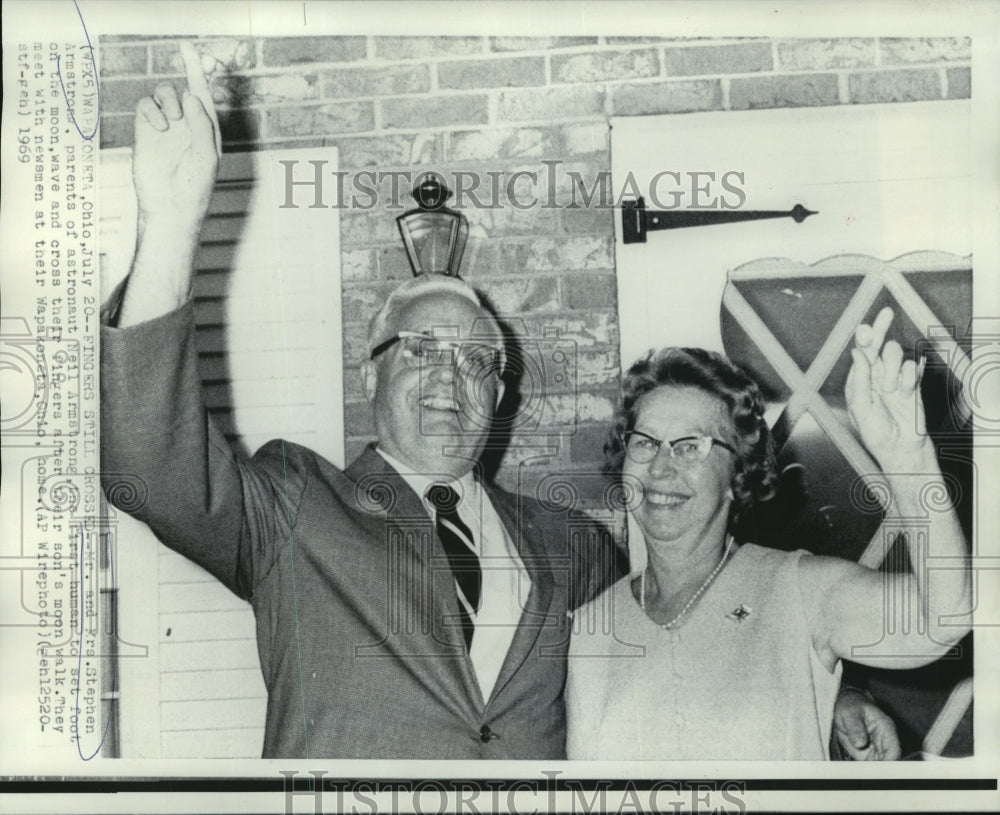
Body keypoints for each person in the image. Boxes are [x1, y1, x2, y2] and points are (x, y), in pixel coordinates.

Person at [101, 42, 899, 760]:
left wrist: (829, 694)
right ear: (371, 375)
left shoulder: (573, 548)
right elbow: (147, 465)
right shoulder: (294, 508)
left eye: (477, 360)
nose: (450, 376)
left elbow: (679, 642)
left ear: (499, 391)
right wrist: (171, 224)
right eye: (421, 350)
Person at [566, 329, 971, 760]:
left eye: (690, 446)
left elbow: (944, 618)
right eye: (645, 442)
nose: (661, 467)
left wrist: (908, 460)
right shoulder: (589, 630)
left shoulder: (800, 592)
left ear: (737, 472)